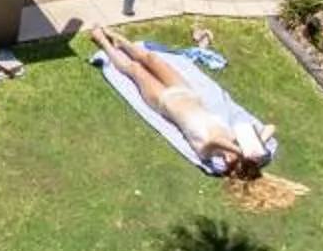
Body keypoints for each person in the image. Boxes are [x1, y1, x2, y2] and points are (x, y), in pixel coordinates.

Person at [93, 27, 265, 177]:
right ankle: (119, 40)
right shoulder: (232, 135)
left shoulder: (206, 152)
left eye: (232, 161)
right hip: (186, 91)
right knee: (153, 59)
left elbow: (214, 141)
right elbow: (270, 128)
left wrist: (239, 152)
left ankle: (103, 42)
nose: (231, 158)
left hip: (163, 101)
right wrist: (259, 145)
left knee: (135, 69)